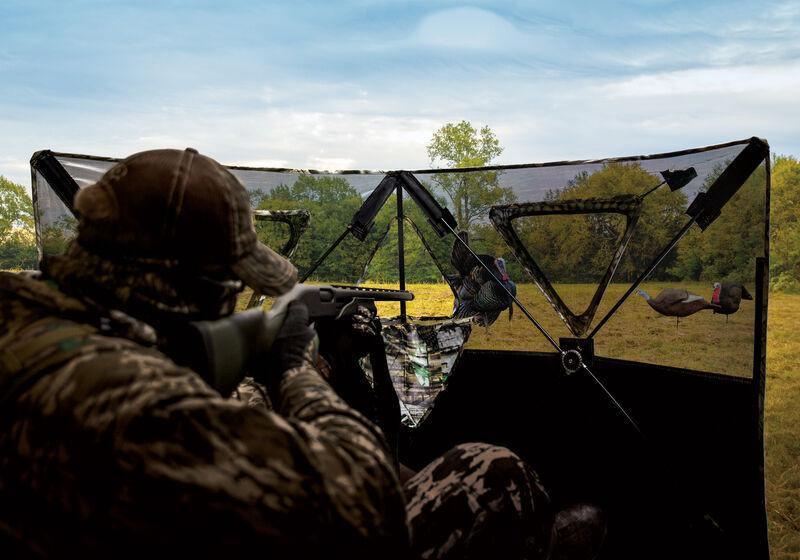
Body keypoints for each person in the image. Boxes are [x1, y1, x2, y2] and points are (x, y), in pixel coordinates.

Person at [0, 148, 602, 559]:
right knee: (491, 470)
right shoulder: (126, 404)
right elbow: (362, 496)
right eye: (230, 287)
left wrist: (287, 353)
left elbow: (162, 352)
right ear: (193, 289)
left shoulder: (26, 318)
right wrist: (292, 367)